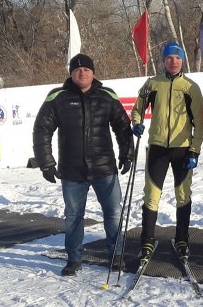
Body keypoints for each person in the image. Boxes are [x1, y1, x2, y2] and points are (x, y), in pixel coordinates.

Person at [33, 53, 134, 276]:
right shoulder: (57, 97)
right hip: (72, 171)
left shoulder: (106, 95)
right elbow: (42, 131)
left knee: (113, 213)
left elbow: (123, 127)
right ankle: (74, 259)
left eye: (86, 69)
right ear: (71, 73)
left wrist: (127, 154)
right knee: (73, 216)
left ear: (93, 72)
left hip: (104, 168)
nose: (82, 73)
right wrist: (46, 163)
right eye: (77, 70)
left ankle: (116, 255)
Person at [131, 42, 203, 261]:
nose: (173, 62)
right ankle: (147, 240)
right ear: (163, 61)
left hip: (182, 150)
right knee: (151, 196)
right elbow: (138, 109)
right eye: (169, 58)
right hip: (157, 148)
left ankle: (182, 239)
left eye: (178, 58)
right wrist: (136, 123)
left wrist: (195, 151)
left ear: (183, 61)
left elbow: (199, 123)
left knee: (183, 195)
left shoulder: (191, 87)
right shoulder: (152, 83)